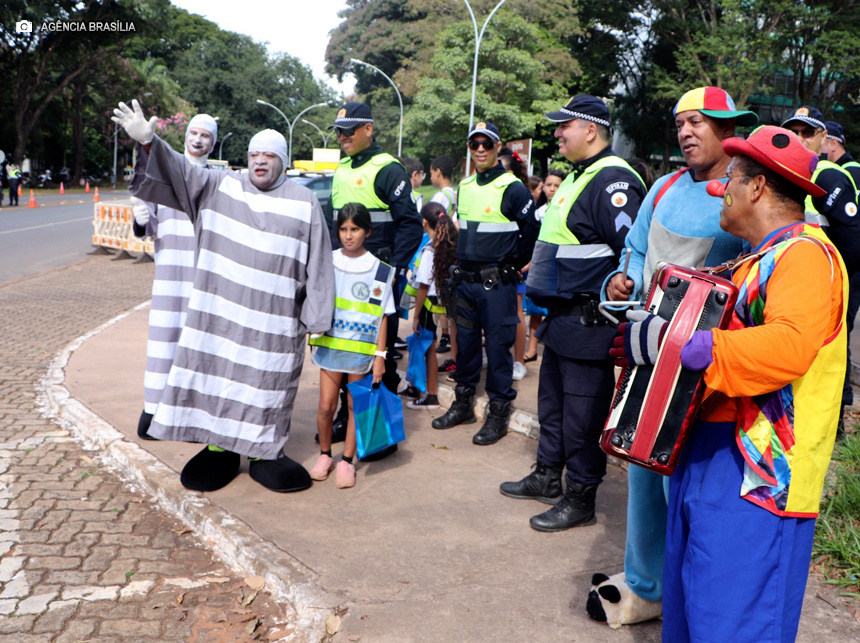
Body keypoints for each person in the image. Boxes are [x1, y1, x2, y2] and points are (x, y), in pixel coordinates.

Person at [621, 126, 846, 642]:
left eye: (730, 180)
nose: (720, 191)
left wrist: (693, 349)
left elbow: (789, 347)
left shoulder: (806, 256)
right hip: (712, 454)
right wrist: (656, 351)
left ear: (758, 187)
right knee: (692, 614)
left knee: (733, 622)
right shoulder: (758, 257)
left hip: (760, 475)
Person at [588, 86, 757, 627]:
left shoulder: (741, 193)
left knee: (683, 482)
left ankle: (690, 595)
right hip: (645, 351)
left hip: (706, 362)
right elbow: (634, 253)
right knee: (641, 470)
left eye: (698, 122)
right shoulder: (661, 188)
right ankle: (644, 585)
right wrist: (620, 281)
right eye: (681, 122)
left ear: (729, 129)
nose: (685, 131)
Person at [113, 99, 334, 494]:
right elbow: (182, 172)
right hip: (220, 320)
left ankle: (266, 453)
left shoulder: (304, 202)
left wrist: (317, 320)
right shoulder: (220, 185)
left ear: (283, 161)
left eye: (269, 156)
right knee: (220, 385)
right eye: (253, 155)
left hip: (275, 323)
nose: (260, 162)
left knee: (267, 387)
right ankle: (219, 450)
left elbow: (318, 263)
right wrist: (150, 143)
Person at [499, 95, 646, 531]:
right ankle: (547, 476)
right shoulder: (579, 176)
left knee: (583, 415)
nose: (558, 132)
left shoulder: (613, 181)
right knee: (554, 408)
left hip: (590, 323)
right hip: (562, 320)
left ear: (591, 130)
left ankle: (580, 497)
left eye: (566, 126)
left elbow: (633, 255)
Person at [431, 121, 538, 445]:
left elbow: (532, 233)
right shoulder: (464, 187)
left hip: (496, 284)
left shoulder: (512, 187)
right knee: (464, 345)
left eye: (486, 144)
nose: (479, 149)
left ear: (496, 147)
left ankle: (499, 411)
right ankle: (463, 403)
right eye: (474, 144)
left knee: (497, 347)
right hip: (465, 282)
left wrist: (510, 265)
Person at [330, 102, 423, 460]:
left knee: (377, 353)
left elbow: (410, 225)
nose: (343, 137)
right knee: (346, 346)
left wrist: (393, 270)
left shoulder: (387, 168)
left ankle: (379, 433)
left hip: (377, 277)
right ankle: (347, 416)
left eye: (350, 130)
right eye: (339, 131)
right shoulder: (341, 168)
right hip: (344, 275)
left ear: (369, 129)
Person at [130, 113, 218, 441]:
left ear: (213, 142)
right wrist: (141, 218)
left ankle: (196, 414)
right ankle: (153, 408)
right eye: (194, 133)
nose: (198, 140)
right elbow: (146, 227)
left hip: (205, 278)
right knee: (163, 343)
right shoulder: (163, 177)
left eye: (205, 136)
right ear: (185, 135)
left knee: (200, 346)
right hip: (169, 275)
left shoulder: (218, 182)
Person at [781, 107, 859, 436]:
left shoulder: (827, 175)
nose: (799, 139)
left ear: (824, 139)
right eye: (793, 132)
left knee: (831, 350)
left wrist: (832, 284)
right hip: (799, 284)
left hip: (834, 284)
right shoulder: (784, 172)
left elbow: (854, 241)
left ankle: (835, 427)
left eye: (807, 132)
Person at [309, 203, 393, 489]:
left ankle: (347, 461)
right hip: (329, 350)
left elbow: (381, 317)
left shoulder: (380, 270)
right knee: (325, 407)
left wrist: (380, 357)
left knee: (356, 407)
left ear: (367, 231)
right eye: (343, 229)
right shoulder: (326, 261)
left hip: (361, 353)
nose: (348, 235)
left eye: (355, 229)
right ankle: (324, 455)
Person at [400, 201, 458, 410]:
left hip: (429, 307)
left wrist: (416, 316)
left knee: (429, 349)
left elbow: (423, 286)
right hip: (447, 304)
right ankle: (416, 386)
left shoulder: (428, 251)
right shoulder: (451, 244)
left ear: (425, 222)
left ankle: (431, 394)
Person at [429, 154, 458, 366]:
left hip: (441, 250)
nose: (431, 176)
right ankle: (448, 337)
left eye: (431, 172)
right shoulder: (455, 194)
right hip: (451, 249)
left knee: (442, 300)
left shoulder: (440, 197)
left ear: (438, 171)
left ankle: (446, 336)